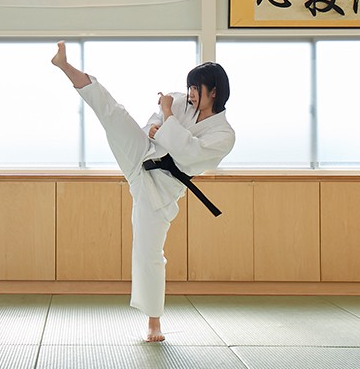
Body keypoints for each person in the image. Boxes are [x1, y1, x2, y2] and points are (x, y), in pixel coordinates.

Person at [51, 41, 235, 342]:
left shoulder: (224, 134)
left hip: (160, 190)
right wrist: (156, 124)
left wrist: (166, 116)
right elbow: (155, 122)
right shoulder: (179, 102)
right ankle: (64, 65)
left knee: (149, 252)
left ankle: (153, 322)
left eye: (196, 88)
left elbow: (188, 154)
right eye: (189, 87)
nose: (189, 93)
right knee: (113, 113)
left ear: (214, 91)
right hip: (141, 155)